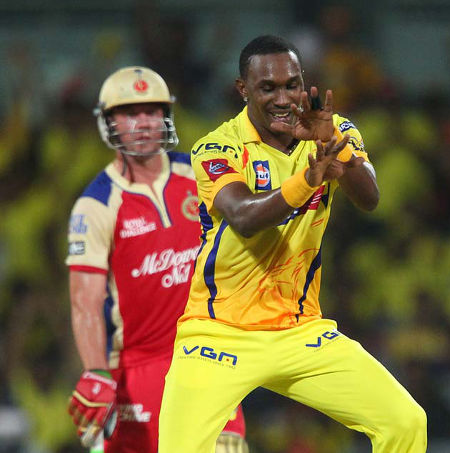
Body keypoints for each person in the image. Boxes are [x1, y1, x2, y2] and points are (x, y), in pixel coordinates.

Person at [158, 35, 427, 452]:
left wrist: (339, 158)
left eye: (292, 84)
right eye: (268, 88)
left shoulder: (333, 129)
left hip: (300, 331)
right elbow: (245, 218)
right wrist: (309, 179)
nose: (283, 98)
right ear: (243, 89)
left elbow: (370, 197)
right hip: (219, 334)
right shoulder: (218, 146)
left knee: (406, 422)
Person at [65, 66, 247, 453]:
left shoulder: (198, 172)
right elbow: (85, 301)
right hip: (137, 368)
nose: (144, 123)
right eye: (131, 113)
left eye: (152, 111)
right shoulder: (96, 205)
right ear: (109, 121)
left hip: (209, 355)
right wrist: (96, 372)